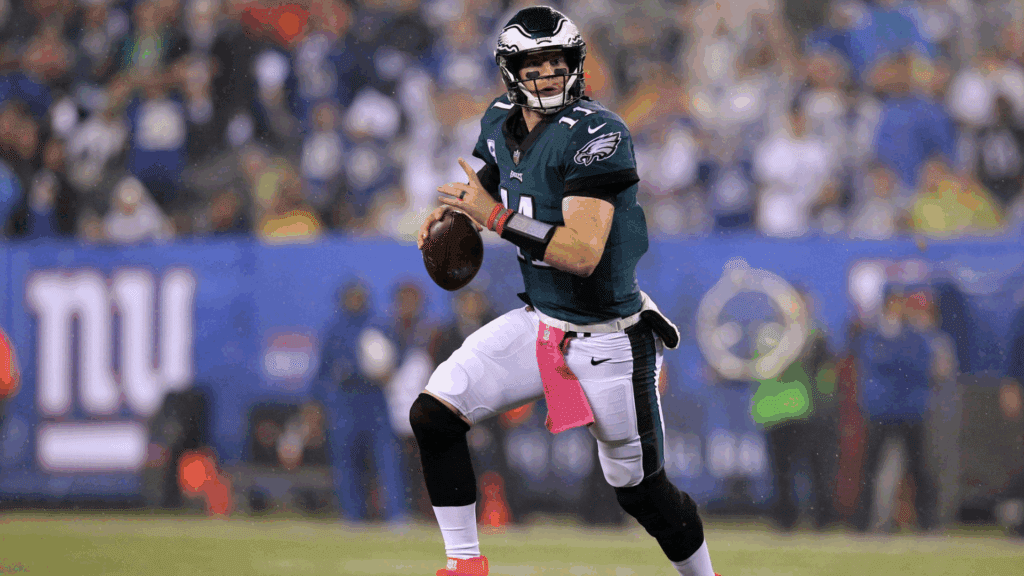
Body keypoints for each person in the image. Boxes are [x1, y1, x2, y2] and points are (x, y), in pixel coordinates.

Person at [412, 7, 718, 576]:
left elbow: (582, 253)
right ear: (510, 70)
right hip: (543, 323)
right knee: (435, 412)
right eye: (534, 63)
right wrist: (455, 213)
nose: (548, 73)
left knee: (640, 493)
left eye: (558, 61)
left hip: (612, 339)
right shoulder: (501, 117)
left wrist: (494, 216)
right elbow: (488, 180)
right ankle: (465, 565)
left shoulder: (599, 133)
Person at [849, 285, 938, 532]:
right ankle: (863, 523)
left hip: (909, 409)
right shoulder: (874, 335)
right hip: (882, 409)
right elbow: (876, 363)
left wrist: (893, 364)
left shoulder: (914, 335)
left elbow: (920, 365)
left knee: (919, 470)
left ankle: (927, 523)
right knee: (871, 468)